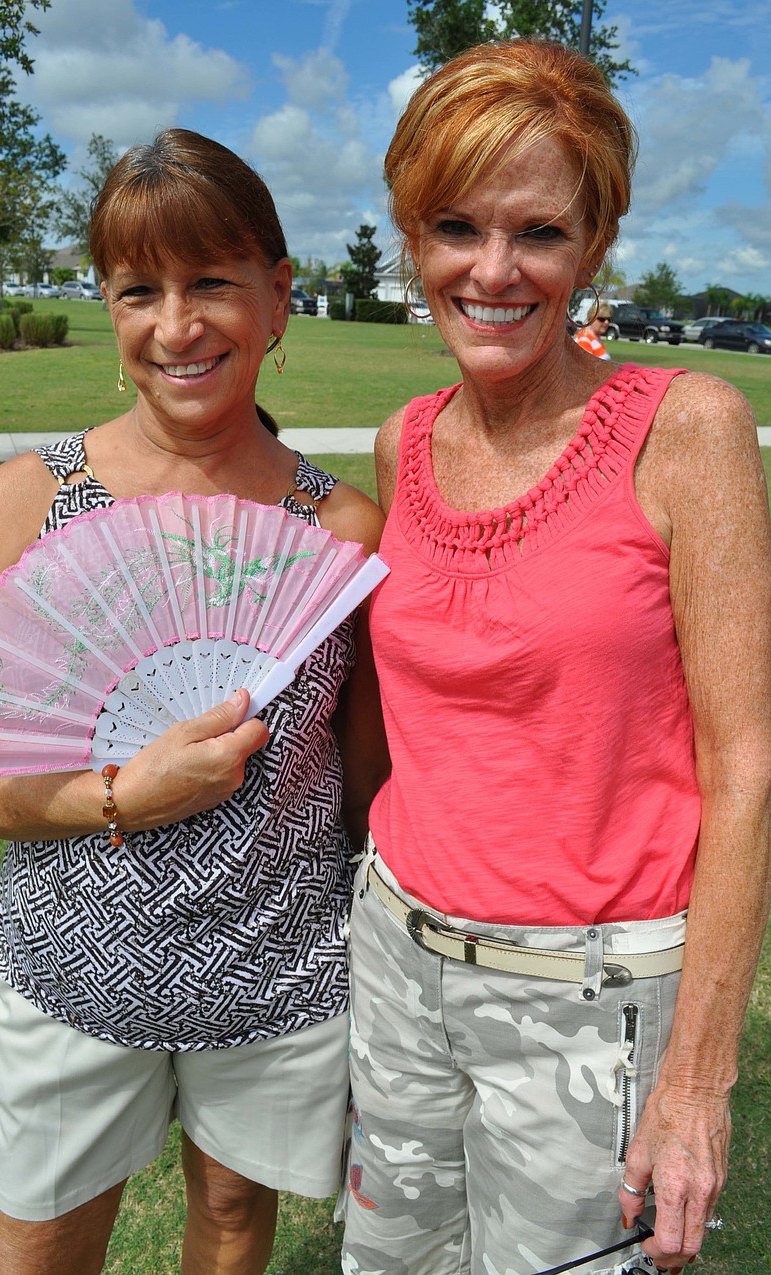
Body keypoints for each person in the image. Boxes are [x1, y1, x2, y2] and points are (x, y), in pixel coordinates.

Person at [0, 129, 386, 1275]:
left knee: (231, 1224)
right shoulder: (34, 501)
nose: (177, 326)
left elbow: (370, 786)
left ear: (278, 298)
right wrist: (126, 792)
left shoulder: (341, 534)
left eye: (213, 283)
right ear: (110, 308)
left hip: (275, 978)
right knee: (42, 1249)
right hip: (70, 974)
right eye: (140, 290)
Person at [341, 39, 771, 1275]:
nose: (490, 269)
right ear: (411, 239)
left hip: (588, 996)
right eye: (453, 225)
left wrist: (697, 1079)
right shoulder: (401, 441)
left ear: (592, 247)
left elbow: (745, 767)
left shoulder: (686, 430)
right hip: (397, 959)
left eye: (537, 232)